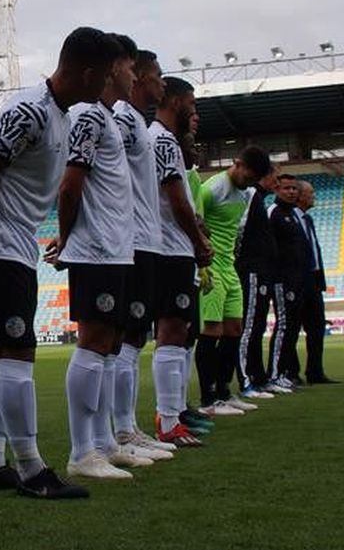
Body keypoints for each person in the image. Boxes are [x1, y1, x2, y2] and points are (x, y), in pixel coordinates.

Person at [0, 26, 123, 500]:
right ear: (87, 73)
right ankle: (30, 468)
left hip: (11, 246)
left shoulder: (60, 116)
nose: (105, 85)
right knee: (18, 352)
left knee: (2, 355)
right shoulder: (29, 111)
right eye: (103, 76)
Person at [48, 34, 152, 480]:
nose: (136, 77)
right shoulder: (89, 117)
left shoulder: (107, 119)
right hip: (96, 248)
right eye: (131, 67)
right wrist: (67, 238)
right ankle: (81, 451)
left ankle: (106, 441)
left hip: (116, 248)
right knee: (92, 343)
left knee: (109, 345)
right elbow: (71, 183)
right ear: (113, 69)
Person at [107, 50, 177, 459]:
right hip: (129, 240)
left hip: (146, 240)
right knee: (121, 340)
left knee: (134, 337)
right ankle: (119, 431)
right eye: (155, 75)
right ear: (137, 80)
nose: (161, 84)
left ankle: (127, 426)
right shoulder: (122, 120)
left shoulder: (139, 125)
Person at [146, 78, 213, 445]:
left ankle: (172, 416)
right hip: (169, 248)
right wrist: (198, 241)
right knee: (172, 331)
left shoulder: (161, 140)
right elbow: (176, 201)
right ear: (174, 100)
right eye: (190, 101)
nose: (194, 109)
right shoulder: (163, 140)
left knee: (178, 331)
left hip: (172, 247)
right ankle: (168, 421)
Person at [194, 146, 273, 417]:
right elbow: (195, 222)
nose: (249, 182)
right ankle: (208, 399)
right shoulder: (212, 188)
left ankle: (225, 393)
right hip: (212, 267)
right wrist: (201, 265)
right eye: (248, 176)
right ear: (236, 163)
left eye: (254, 179)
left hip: (230, 267)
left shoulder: (247, 193)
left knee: (234, 328)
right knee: (212, 330)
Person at [235, 164, 286, 400]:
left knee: (257, 327)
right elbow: (241, 228)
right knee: (248, 327)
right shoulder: (252, 195)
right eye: (275, 178)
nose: (277, 184)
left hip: (262, 271)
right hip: (251, 270)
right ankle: (246, 380)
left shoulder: (260, 198)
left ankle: (260, 378)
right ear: (264, 176)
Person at [267, 175, 309, 388]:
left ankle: (284, 372)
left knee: (292, 327)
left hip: (297, 279)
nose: (292, 192)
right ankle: (274, 374)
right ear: (277, 189)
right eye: (287, 188)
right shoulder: (273, 213)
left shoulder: (292, 214)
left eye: (294, 188)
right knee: (284, 325)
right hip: (282, 280)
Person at [295, 181, 336, 384]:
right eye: (311, 193)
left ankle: (315, 371)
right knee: (292, 328)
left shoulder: (307, 219)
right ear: (300, 195)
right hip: (297, 281)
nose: (314, 196)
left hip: (313, 280)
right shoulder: (289, 217)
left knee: (316, 327)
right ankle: (289, 373)